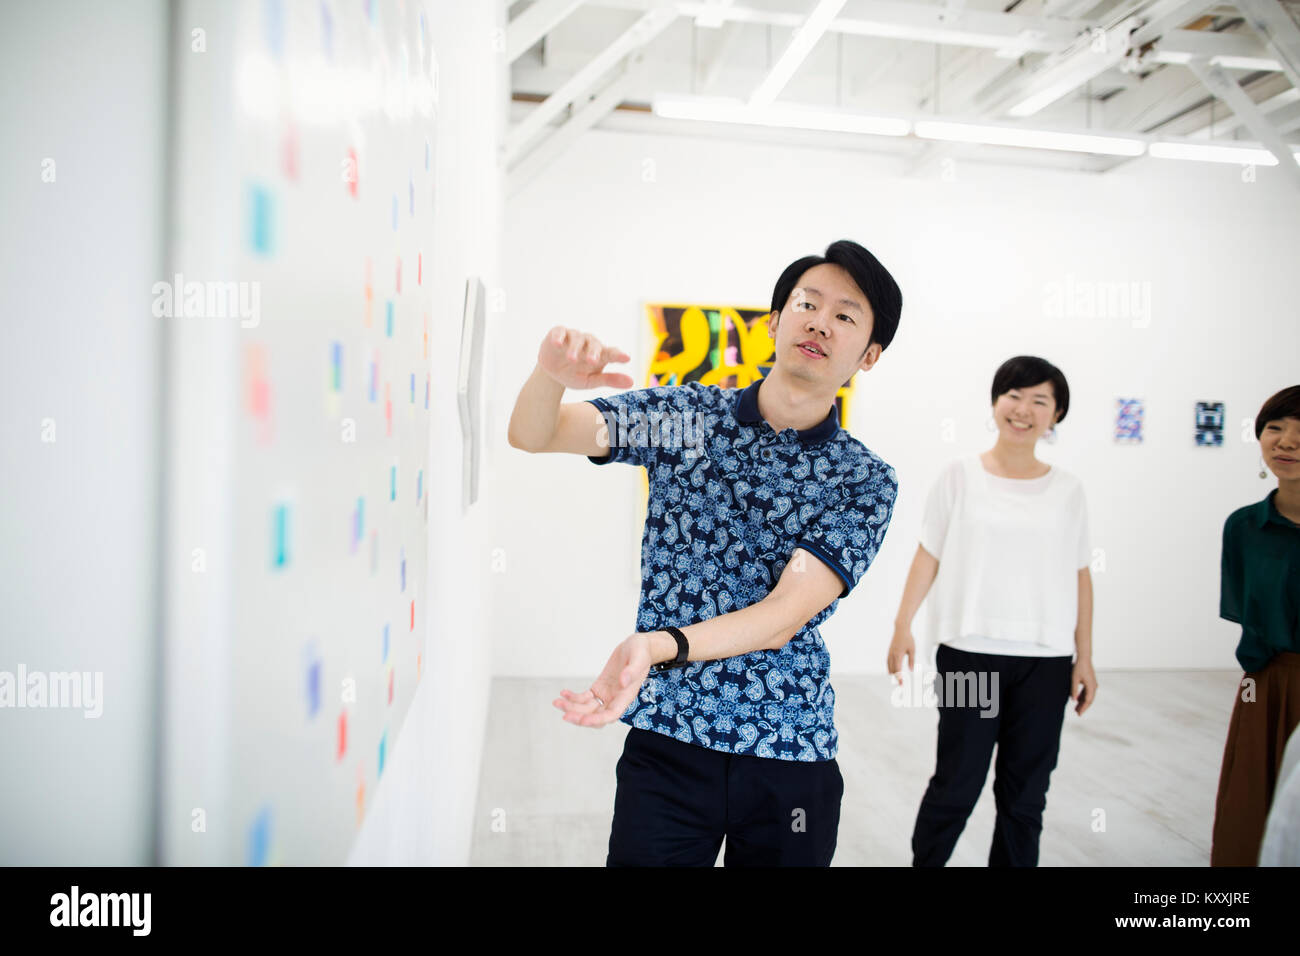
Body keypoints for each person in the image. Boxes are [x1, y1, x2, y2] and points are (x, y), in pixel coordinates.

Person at [507, 239, 903, 866]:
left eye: (847, 316)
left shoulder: (863, 481)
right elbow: (535, 433)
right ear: (774, 322)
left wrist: (657, 644)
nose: (820, 321)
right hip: (668, 744)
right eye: (808, 302)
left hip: (789, 752)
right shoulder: (686, 416)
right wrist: (550, 378)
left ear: (869, 354)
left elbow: (783, 616)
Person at [888, 356, 1097, 867]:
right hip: (969, 655)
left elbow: (1080, 573)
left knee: (1025, 796)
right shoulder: (958, 477)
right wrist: (902, 625)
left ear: (1056, 415)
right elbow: (928, 553)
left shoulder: (1069, 490)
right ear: (996, 402)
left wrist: (1085, 657)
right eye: (1013, 395)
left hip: (1046, 662)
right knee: (957, 783)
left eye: (1039, 400)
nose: (1023, 409)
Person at [1210, 384, 1300, 866]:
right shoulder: (1244, 527)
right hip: (1264, 685)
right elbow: (1245, 610)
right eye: (1276, 428)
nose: (1287, 442)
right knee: (1252, 804)